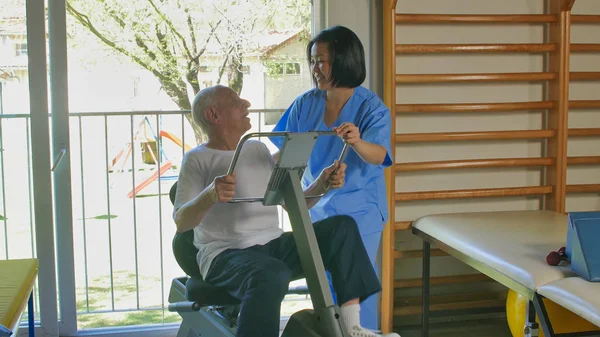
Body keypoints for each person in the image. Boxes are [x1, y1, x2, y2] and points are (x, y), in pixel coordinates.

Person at [173, 85, 400, 337]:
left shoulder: (257, 149)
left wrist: (322, 184)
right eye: (236, 102)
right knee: (271, 272)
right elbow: (182, 221)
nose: (246, 104)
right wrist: (210, 195)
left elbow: (291, 203)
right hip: (225, 255)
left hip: (272, 246)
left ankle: (351, 328)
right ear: (213, 115)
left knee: (342, 228)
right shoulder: (196, 159)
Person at [269, 25, 393, 332]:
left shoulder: (371, 108)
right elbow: (286, 153)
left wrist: (356, 141)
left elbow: (379, 156)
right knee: (325, 296)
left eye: (321, 60)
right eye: (312, 60)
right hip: (318, 207)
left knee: (353, 292)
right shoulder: (305, 104)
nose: (315, 68)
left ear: (344, 59)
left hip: (360, 209)